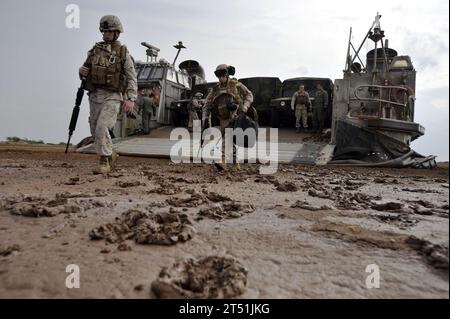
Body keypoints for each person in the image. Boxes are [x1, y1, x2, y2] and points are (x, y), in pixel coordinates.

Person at [79, 15, 137, 174]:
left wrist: (131, 98)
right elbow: (86, 71)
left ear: (117, 33)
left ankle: (104, 161)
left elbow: (132, 77)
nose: (106, 34)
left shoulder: (123, 53)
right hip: (95, 95)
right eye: (104, 31)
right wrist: (81, 72)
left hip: (113, 96)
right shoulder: (94, 50)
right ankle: (111, 154)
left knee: (102, 127)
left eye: (109, 32)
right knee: (95, 129)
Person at [202, 64, 253, 168]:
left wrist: (245, 106)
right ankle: (235, 161)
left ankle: (223, 160)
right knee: (229, 138)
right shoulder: (215, 89)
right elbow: (207, 104)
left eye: (223, 75)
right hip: (223, 118)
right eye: (218, 76)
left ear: (227, 74)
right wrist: (205, 117)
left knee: (227, 137)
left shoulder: (236, 84)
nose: (221, 78)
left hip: (236, 116)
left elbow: (249, 94)